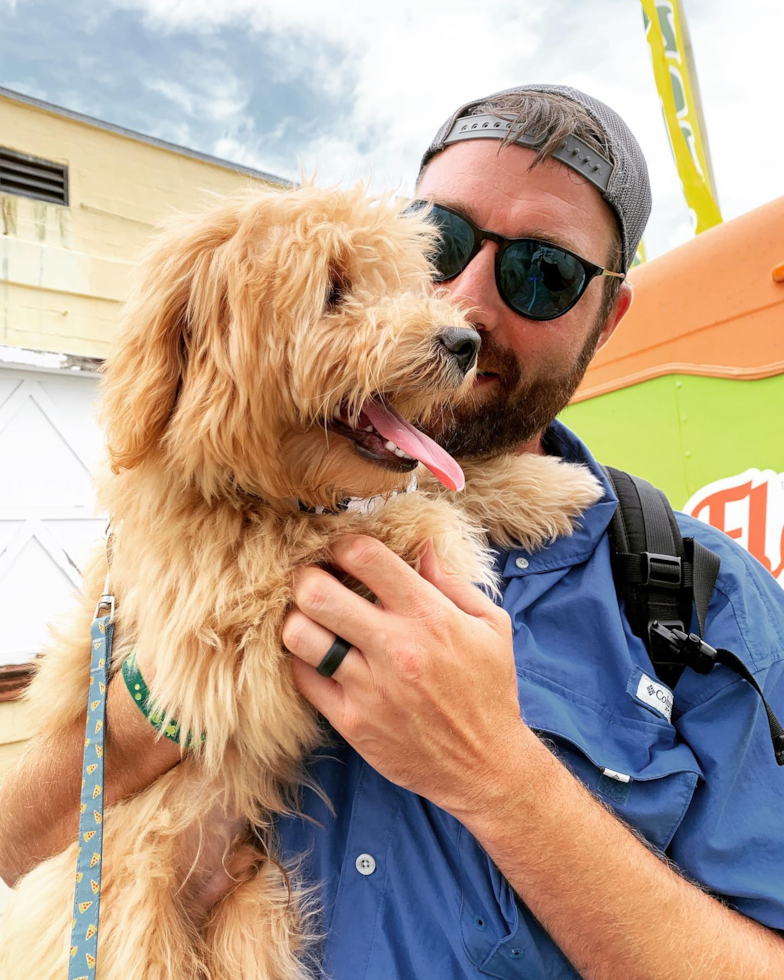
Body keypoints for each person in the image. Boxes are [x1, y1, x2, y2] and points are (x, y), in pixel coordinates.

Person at [2, 85, 783, 979]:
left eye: (544, 273)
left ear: (608, 316)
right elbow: (13, 842)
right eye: (442, 242)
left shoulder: (695, 594)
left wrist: (503, 780)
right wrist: (141, 720)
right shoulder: (217, 497)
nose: (467, 307)